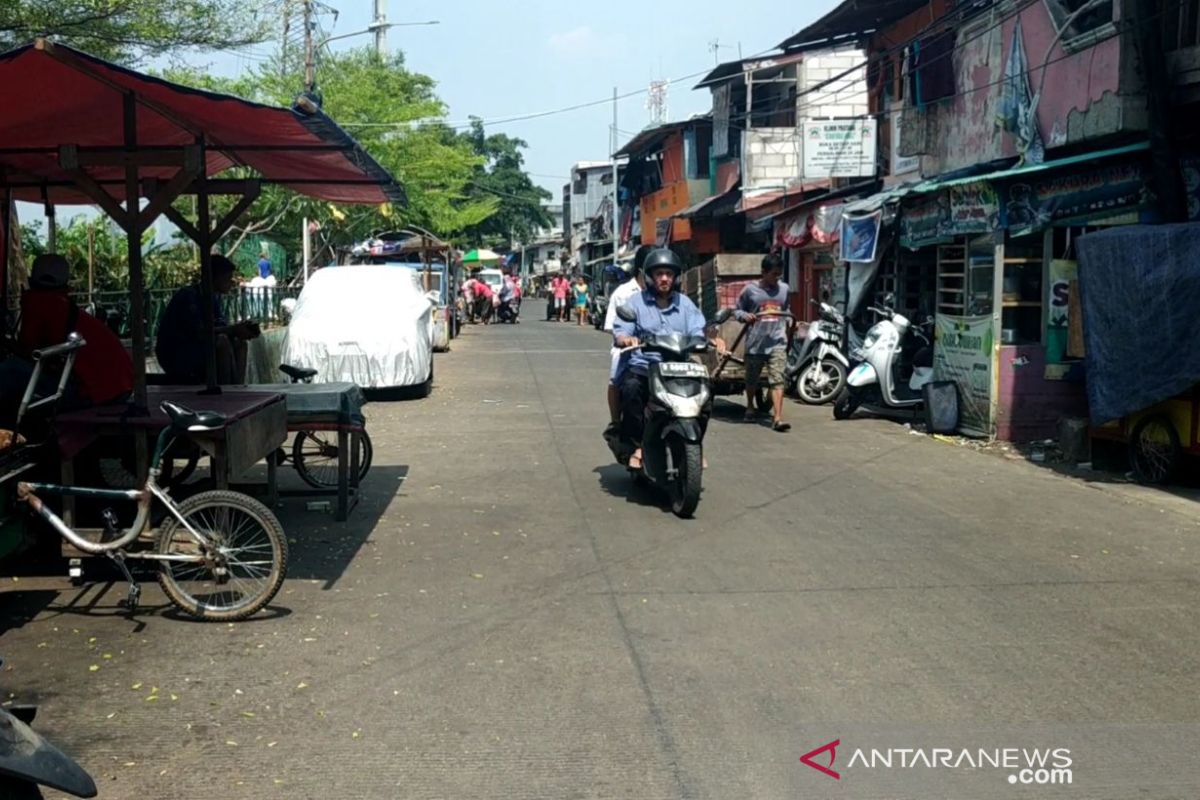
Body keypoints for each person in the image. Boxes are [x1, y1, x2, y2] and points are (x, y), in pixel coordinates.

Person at [0, 254, 134, 426]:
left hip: (94, 392)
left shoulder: (37, 302)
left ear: (31, 280)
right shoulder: (63, 304)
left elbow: (30, 353)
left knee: (8, 371)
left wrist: (6, 343)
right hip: (117, 389)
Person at [612, 248, 708, 470]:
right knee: (631, 388)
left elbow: (697, 329)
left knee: (706, 393)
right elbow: (622, 329)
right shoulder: (635, 303)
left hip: (679, 368)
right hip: (645, 367)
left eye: (668, 273)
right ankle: (638, 446)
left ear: (675, 277)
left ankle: (696, 444)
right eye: (659, 273)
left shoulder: (685, 304)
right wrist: (626, 338)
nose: (664, 278)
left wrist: (707, 340)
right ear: (649, 277)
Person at [156, 254, 261, 385]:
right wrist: (232, 329)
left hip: (198, 350)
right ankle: (226, 388)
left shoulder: (214, 298)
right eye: (227, 278)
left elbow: (220, 326)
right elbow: (199, 332)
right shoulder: (189, 296)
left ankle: (237, 387)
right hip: (177, 354)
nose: (231, 282)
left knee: (239, 343)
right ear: (215, 278)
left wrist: (238, 331)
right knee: (222, 342)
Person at [735, 252, 793, 432]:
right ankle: (750, 406)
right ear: (764, 272)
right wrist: (745, 316)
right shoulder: (750, 290)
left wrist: (790, 321)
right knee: (751, 379)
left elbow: (786, 308)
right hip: (756, 343)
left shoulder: (784, 289)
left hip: (777, 341)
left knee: (777, 380)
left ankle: (777, 418)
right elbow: (736, 311)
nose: (777, 278)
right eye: (773, 274)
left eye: (779, 274)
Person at [602, 247, 650, 431]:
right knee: (615, 378)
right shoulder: (623, 293)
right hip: (628, 348)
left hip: (658, 348)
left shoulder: (666, 295)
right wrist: (626, 339)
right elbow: (612, 327)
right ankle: (616, 422)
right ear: (642, 270)